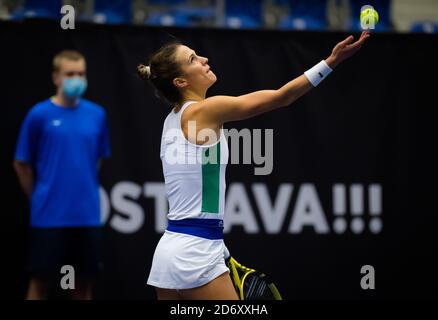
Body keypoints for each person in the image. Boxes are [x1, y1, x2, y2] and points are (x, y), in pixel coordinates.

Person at [137, 31, 370, 300]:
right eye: (193, 59)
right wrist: (331, 61)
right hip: (196, 253)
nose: (204, 59)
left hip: (169, 252)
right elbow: (282, 97)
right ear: (180, 81)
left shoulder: (172, 119)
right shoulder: (204, 111)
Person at [13, 50, 111, 300]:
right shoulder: (39, 114)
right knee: (40, 283)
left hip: (87, 217)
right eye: (70, 74)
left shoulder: (97, 114)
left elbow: (98, 159)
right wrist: (39, 197)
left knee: (83, 286)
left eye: (81, 73)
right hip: (48, 217)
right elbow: (22, 163)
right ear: (56, 77)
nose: (76, 78)